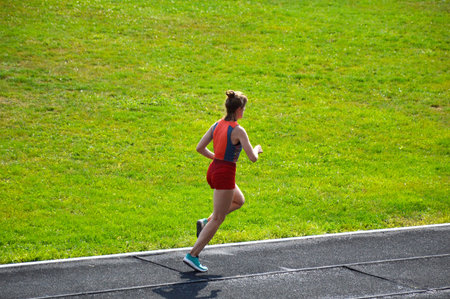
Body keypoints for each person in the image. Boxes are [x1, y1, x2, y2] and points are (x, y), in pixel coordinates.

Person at [183, 90, 263, 272]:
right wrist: (257, 148)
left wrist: (216, 158)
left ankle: (205, 221)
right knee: (219, 218)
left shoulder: (216, 125)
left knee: (239, 200)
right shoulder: (238, 130)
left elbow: (199, 148)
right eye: (244, 108)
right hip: (225, 173)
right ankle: (192, 255)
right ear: (239, 109)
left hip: (214, 169)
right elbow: (252, 158)